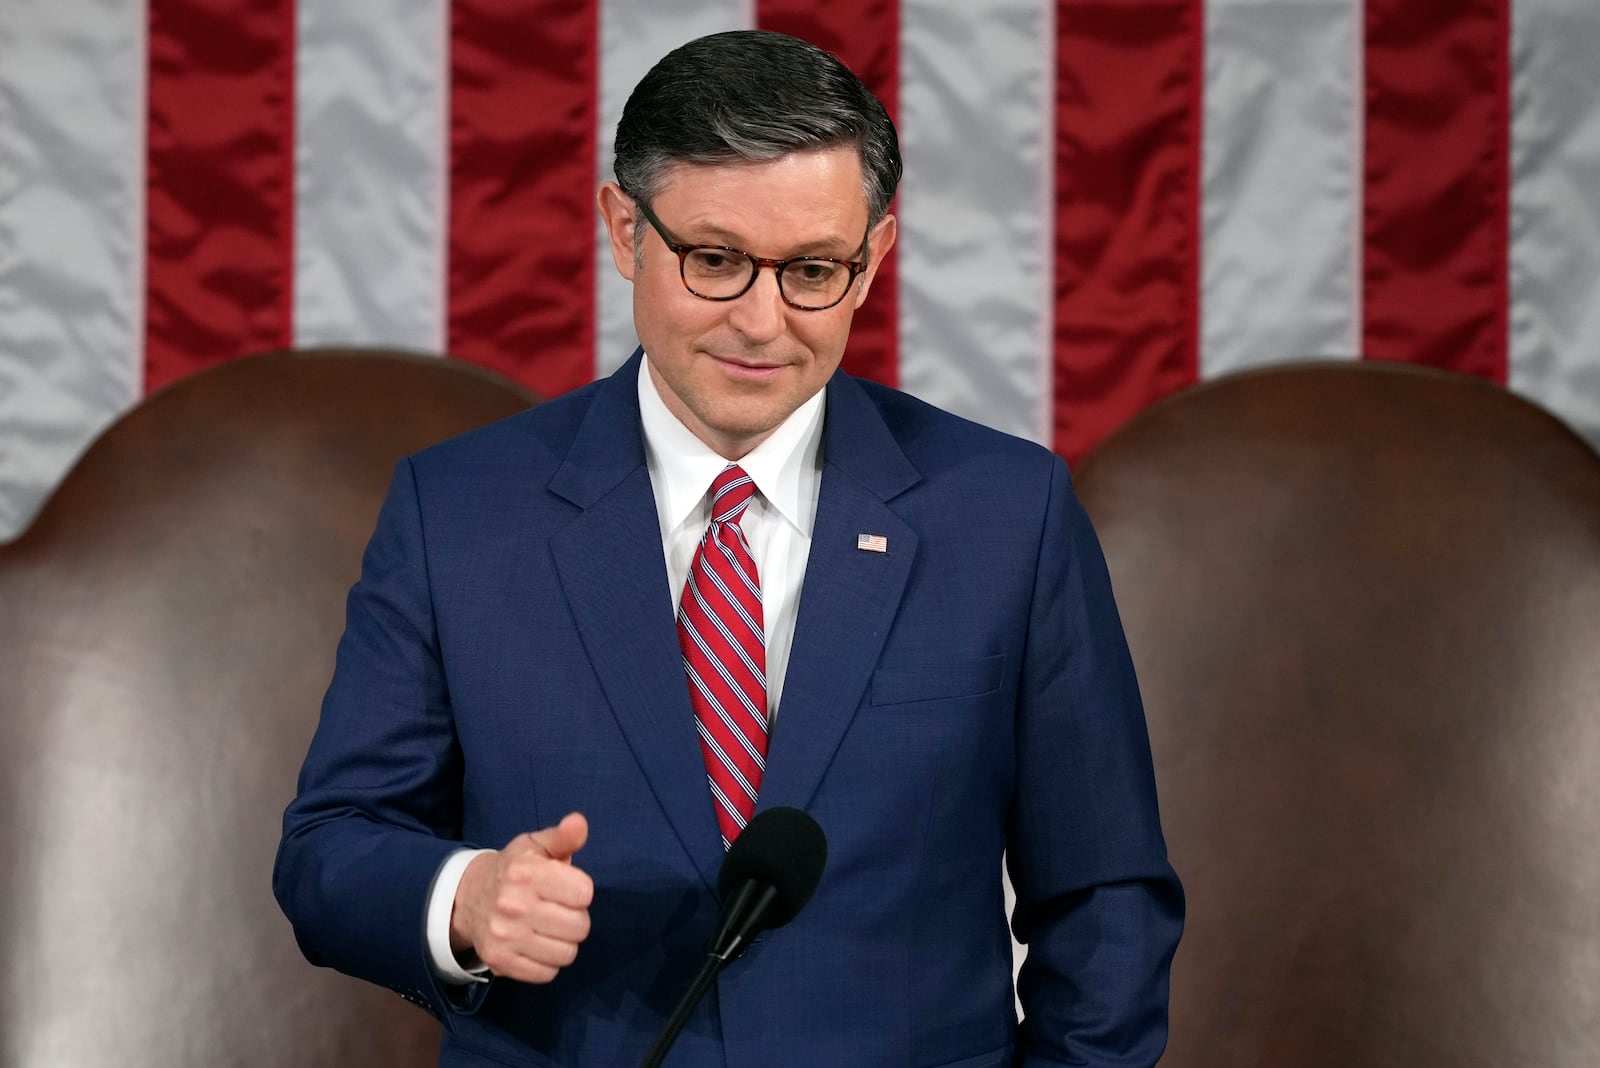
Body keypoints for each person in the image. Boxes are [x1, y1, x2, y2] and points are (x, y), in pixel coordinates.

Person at [274, 28, 1182, 1068]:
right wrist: (464, 899)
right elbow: (330, 847)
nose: (761, 321)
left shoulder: (1006, 515)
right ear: (624, 230)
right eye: (714, 260)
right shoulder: (460, 514)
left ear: (873, 256)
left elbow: (1106, 898)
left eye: (812, 271)